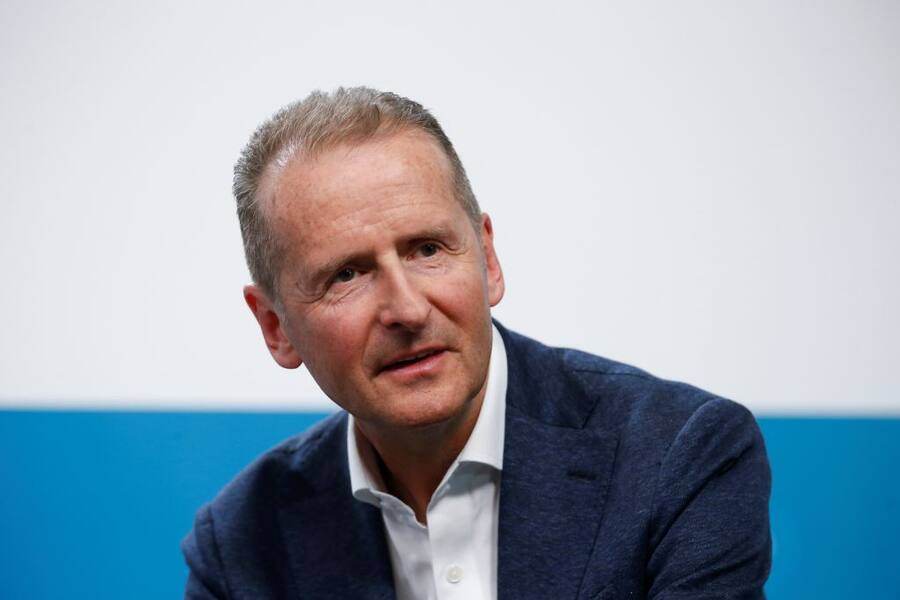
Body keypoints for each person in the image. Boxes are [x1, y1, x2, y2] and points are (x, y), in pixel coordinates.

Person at [182, 87, 771, 599]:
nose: (408, 309)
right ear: (276, 328)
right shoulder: (242, 545)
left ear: (487, 258)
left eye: (428, 250)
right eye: (347, 275)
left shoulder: (680, 456)